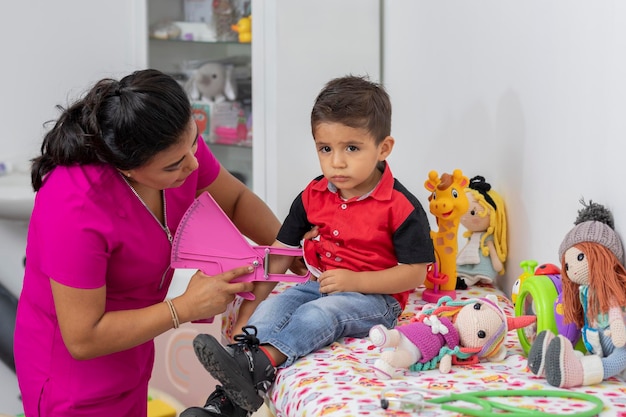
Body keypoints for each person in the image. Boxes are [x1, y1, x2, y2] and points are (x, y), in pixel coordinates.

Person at [13, 69, 297, 417]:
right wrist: (185, 307)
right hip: (72, 383)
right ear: (127, 168)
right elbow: (83, 337)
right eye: (175, 165)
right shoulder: (75, 203)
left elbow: (235, 200)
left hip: (131, 357)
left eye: (194, 142)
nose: (193, 164)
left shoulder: (174, 145)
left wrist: (291, 252)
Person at [181, 75, 436, 417]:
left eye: (352, 148)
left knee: (318, 314)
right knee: (276, 308)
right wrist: (247, 313)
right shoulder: (313, 195)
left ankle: (261, 363)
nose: (337, 162)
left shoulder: (401, 207)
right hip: (320, 284)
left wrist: (355, 281)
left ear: (383, 148)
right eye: (325, 149)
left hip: (377, 300)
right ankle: (223, 403)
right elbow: (280, 253)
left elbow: (414, 274)